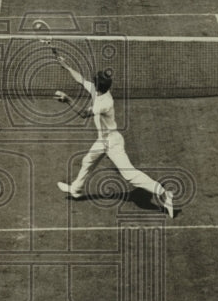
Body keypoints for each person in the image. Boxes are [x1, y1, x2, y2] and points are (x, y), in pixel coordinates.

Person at [54, 57, 175, 219]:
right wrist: (65, 65)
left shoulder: (104, 102)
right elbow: (80, 80)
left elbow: (83, 114)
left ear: (97, 86)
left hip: (112, 142)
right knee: (87, 161)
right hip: (103, 140)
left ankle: (163, 193)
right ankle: (76, 189)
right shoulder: (100, 91)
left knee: (129, 174)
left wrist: (67, 99)